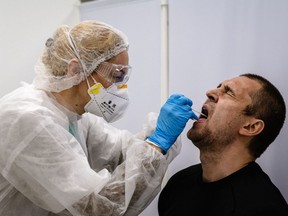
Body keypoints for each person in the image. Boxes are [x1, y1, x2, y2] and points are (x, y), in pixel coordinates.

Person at [0, 20, 198, 216]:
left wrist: (158, 134)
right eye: (116, 75)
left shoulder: (74, 116)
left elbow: (121, 152)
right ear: (76, 69)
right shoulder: (28, 118)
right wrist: (157, 144)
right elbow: (98, 208)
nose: (120, 87)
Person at [158, 73, 288, 216]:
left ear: (250, 127)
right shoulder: (179, 184)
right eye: (218, 87)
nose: (210, 92)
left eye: (229, 92)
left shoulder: (262, 209)